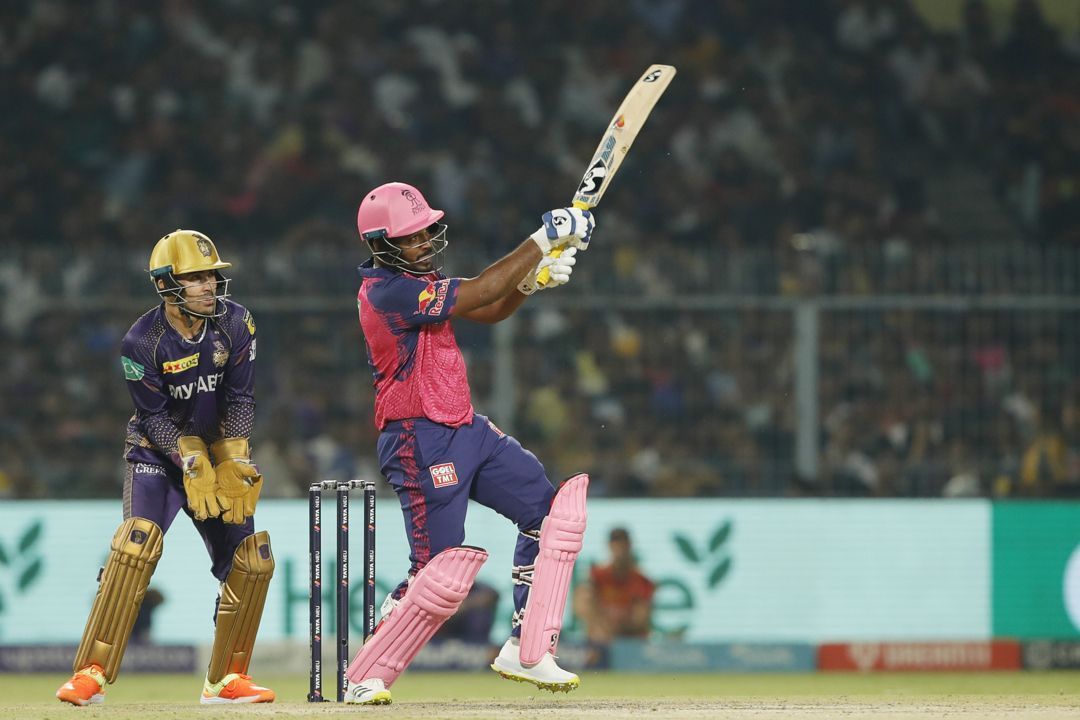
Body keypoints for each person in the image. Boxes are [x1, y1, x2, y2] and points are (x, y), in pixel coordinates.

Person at [343, 182, 593, 705]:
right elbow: (479, 290)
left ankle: (526, 648)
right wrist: (542, 241)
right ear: (381, 244)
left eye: (427, 229)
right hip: (418, 438)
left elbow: (491, 309)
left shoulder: (418, 280)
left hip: (465, 428)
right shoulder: (388, 292)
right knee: (439, 574)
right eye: (412, 235)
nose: (426, 240)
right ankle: (367, 673)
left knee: (550, 518)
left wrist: (531, 282)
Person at [56, 230, 274, 706]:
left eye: (211, 275)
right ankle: (91, 673)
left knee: (251, 562)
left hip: (217, 457)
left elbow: (240, 397)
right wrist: (187, 458)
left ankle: (225, 680)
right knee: (135, 546)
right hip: (156, 455)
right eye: (195, 278)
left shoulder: (237, 322)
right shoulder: (142, 340)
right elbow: (153, 415)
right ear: (166, 285)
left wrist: (232, 459)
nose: (209, 285)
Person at [574, 527, 656, 664]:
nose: (620, 552)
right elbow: (581, 607)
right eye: (616, 546)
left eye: (623, 546)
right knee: (593, 620)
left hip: (630, 643)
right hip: (602, 640)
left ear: (629, 547)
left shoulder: (641, 581)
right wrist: (601, 623)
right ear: (610, 547)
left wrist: (613, 626)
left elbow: (641, 620)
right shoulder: (598, 576)